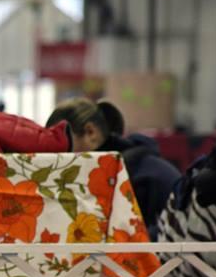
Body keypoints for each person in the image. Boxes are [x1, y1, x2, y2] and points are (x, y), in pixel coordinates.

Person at [46, 98, 181, 240]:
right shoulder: (127, 167)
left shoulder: (131, 177)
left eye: (61, 141)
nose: (58, 155)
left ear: (90, 132)